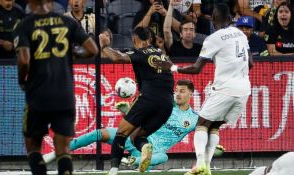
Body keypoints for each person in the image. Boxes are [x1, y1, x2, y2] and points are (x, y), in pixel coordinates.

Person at [154, 3, 253, 175]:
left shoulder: (213, 38)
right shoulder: (241, 34)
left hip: (225, 89)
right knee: (214, 125)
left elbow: (197, 68)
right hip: (244, 90)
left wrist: (172, 67)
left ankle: (200, 163)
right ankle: (207, 168)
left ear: (213, 19)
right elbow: (250, 63)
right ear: (230, 19)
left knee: (201, 123)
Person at [43, 80, 222, 171]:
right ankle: (55, 153)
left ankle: (131, 161)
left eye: (182, 91)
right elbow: (138, 119)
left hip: (152, 152)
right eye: (176, 90)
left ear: (191, 93)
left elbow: (204, 134)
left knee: (164, 157)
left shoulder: (193, 119)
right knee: (99, 133)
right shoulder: (165, 104)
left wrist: (213, 147)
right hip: (135, 139)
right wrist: (127, 110)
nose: (178, 94)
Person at [13, 0, 98, 174]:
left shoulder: (25, 24)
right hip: (64, 94)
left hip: (38, 94)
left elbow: (23, 60)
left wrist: (22, 80)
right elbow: (92, 49)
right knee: (63, 150)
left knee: (33, 145)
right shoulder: (67, 22)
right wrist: (73, 53)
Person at [99, 27, 174, 175]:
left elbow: (117, 58)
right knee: (137, 137)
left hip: (150, 97)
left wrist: (104, 46)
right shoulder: (162, 55)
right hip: (167, 104)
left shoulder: (140, 53)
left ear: (134, 39)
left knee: (121, 133)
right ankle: (145, 147)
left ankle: (113, 171)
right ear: (150, 39)